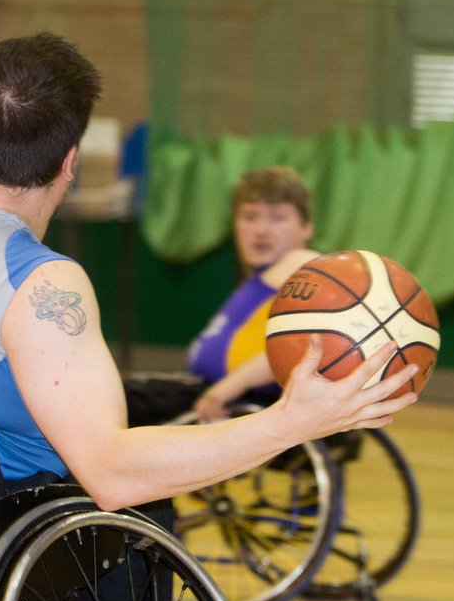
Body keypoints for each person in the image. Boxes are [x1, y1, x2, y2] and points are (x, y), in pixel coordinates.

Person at [0, 32, 415, 517]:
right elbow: (112, 475)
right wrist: (292, 422)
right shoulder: (43, 283)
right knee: (145, 506)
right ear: (70, 162)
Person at [125, 165, 319, 427]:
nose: (261, 230)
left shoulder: (302, 265)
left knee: (116, 399)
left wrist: (230, 386)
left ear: (306, 228)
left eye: (277, 218)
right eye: (250, 217)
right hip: (208, 391)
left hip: (236, 401)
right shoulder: (263, 275)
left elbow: (302, 345)